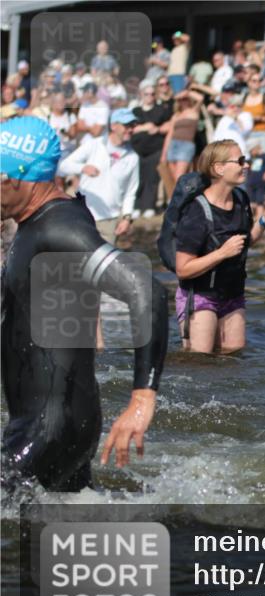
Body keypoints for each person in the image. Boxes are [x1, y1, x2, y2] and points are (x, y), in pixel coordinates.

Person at [1, 116, 168, 492]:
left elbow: (146, 289)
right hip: (52, 423)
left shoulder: (60, 229)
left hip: (50, 429)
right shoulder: (39, 223)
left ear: (19, 178)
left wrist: (142, 399)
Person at [174, 140, 265, 353]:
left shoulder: (241, 199)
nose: (246, 165)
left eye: (246, 160)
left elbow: (245, 242)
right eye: (240, 161)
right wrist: (221, 253)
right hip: (200, 296)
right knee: (200, 362)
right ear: (218, 168)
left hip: (233, 294)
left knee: (233, 361)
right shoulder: (196, 212)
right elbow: (183, 269)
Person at [60, 108, 140, 243]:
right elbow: (63, 166)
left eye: (132, 125)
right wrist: (83, 168)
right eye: (127, 125)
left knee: (102, 263)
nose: (130, 129)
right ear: (114, 125)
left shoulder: (133, 158)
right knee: (79, 261)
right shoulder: (94, 145)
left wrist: (126, 218)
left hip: (110, 220)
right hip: (83, 215)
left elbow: (130, 192)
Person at [131, 82, 172, 218]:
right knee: (137, 178)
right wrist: (146, 127)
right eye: (146, 94)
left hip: (155, 149)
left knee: (152, 178)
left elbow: (170, 125)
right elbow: (131, 128)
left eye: (152, 94)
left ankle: (149, 205)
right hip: (137, 150)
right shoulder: (135, 111)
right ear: (141, 95)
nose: (149, 96)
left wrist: (158, 128)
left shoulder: (161, 110)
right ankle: (136, 205)